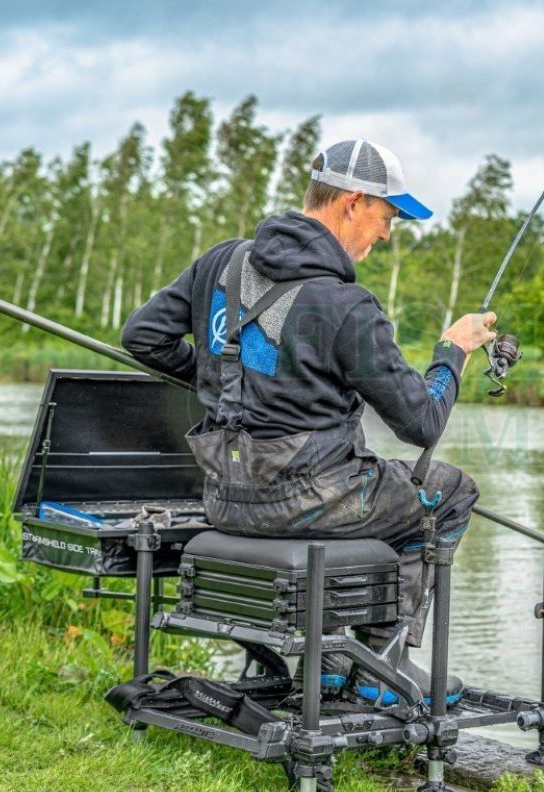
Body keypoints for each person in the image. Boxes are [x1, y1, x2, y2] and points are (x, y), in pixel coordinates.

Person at [121, 138, 496, 705]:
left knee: (383, 491)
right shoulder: (347, 306)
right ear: (352, 202)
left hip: (225, 496)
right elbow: (421, 421)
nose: (387, 233)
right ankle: (380, 663)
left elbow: (142, 337)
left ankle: (326, 662)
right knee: (447, 492)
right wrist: (452, 351)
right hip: (311, 503)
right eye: (386, 215)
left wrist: (221, 376)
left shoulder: (222, 262)